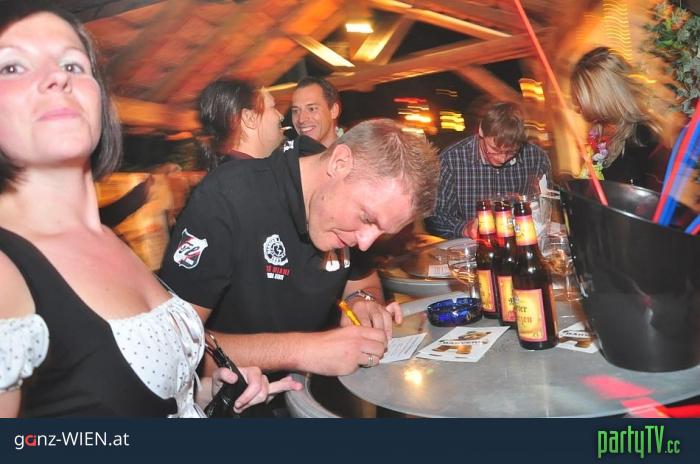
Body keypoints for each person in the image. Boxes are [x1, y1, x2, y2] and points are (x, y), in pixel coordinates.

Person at [0, 1, 299, 418]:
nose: (57, 78)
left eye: (72, 65)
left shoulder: (105, 239)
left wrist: (207, 393)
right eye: (12, 67)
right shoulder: (6, 270)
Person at [159, 119, 439, 376]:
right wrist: (305, 351)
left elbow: (365, 282)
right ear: (339, 163)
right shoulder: (227, 198)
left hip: (309, 391)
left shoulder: (349, 214)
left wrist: (362, 301)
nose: (365, 243)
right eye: (367, 218)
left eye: (381, 232)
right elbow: (172, 348)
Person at [425, 102, 552, 239]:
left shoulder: (537, 159)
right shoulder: (451, 160)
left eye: (511, 152)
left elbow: (546, 211)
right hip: (471, 246)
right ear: (481, 131)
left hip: (524, 240)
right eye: (495, 150)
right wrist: (465, 229)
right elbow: (435, 218)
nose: (502, 159)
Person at [570, 46, 668, 191]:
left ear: (603, 97)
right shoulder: (600, 131)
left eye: (581, 98)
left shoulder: (643, 137)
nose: (577, 107)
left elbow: (645, 197)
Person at [197, 78, 285, 170]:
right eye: (273, 107)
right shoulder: (246, 175)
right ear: (249, 118)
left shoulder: (232, 171)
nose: (281, 116)